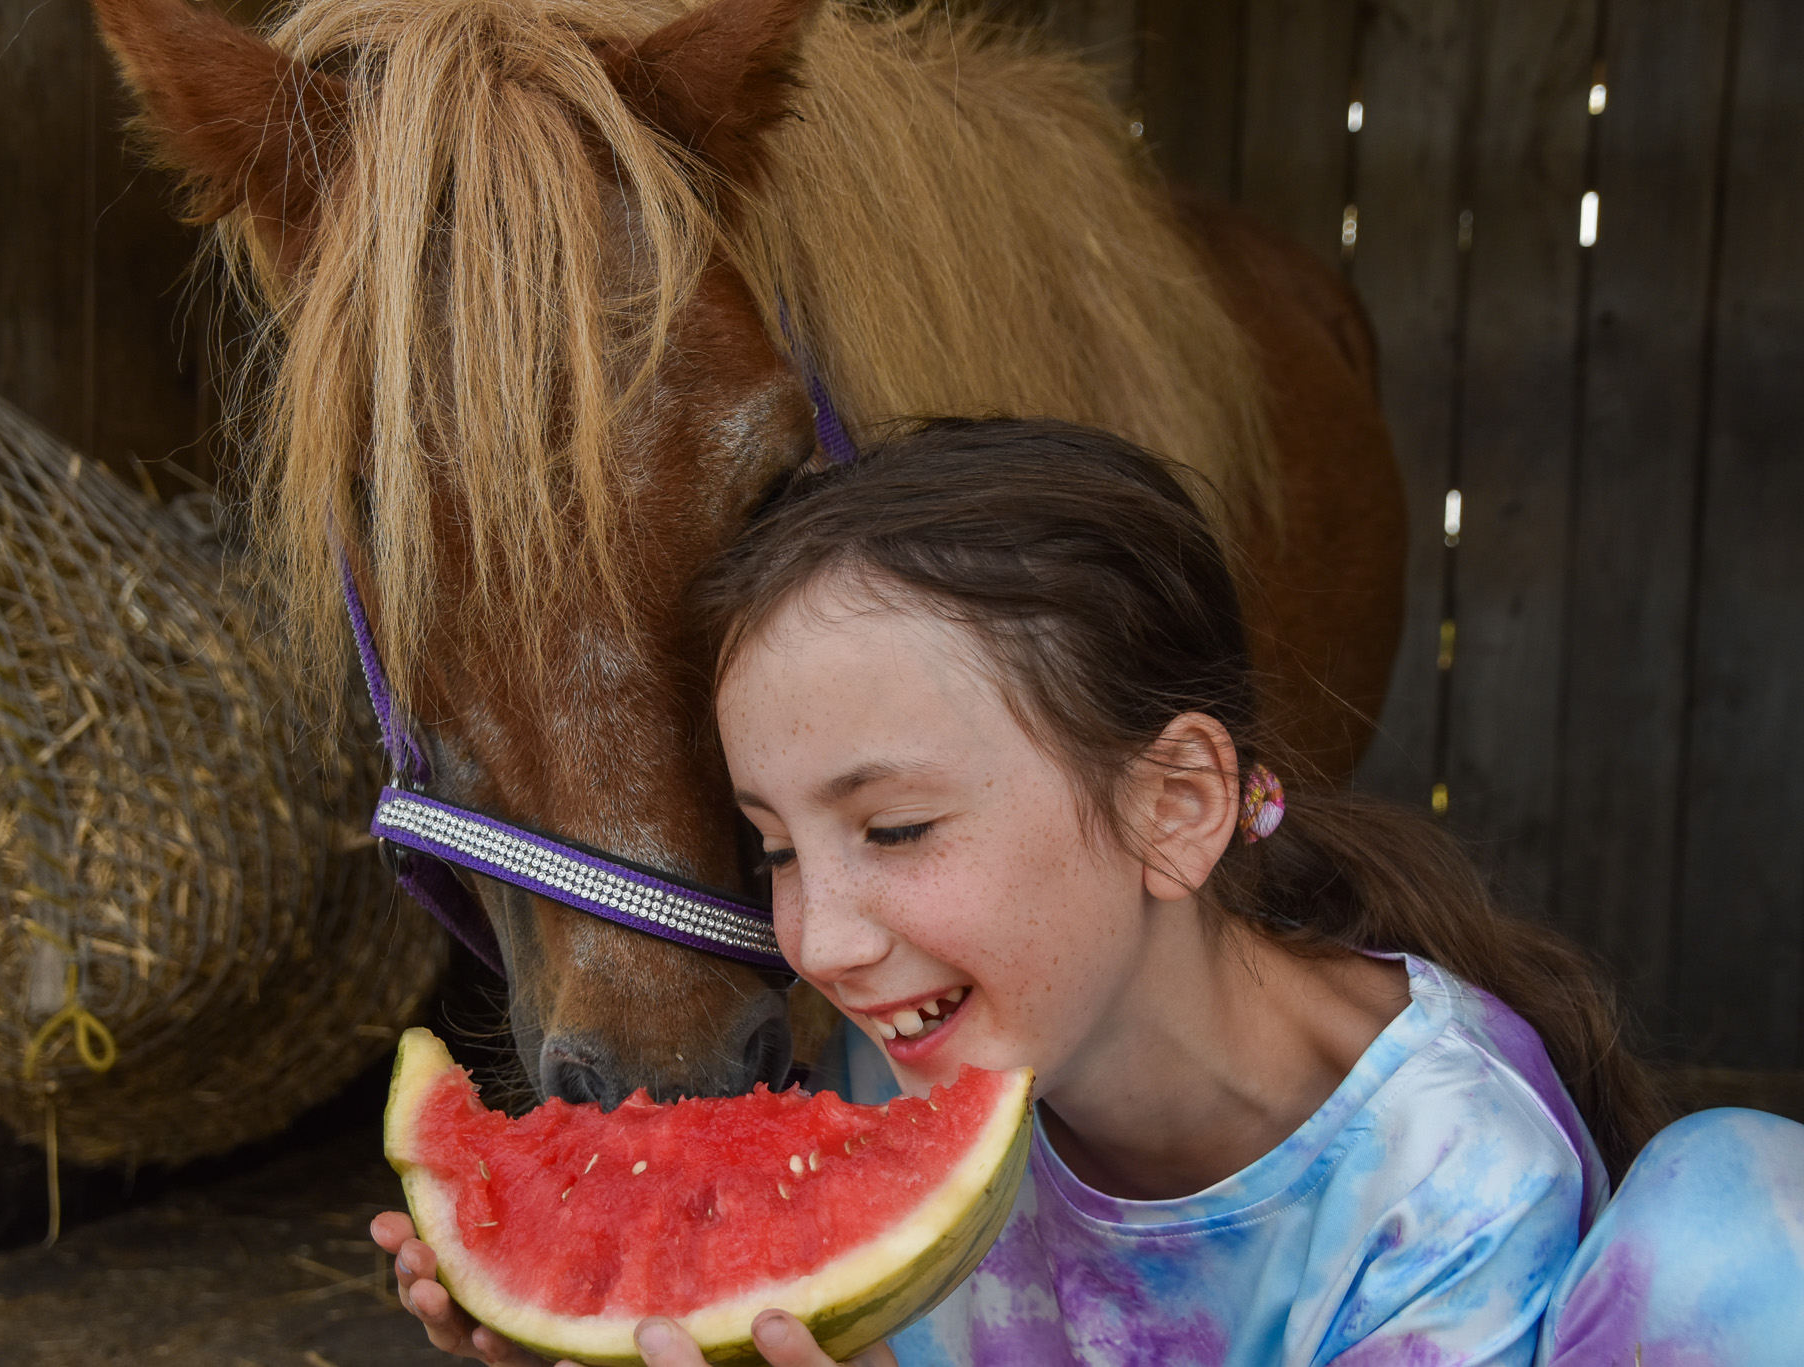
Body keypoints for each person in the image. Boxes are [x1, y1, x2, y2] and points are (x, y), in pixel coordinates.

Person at [373, 418, 1804, 1365]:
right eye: (777, 850)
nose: (817, 940)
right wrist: (600, 1312)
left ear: (1175, 807)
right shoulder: (898, 1080)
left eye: (901, 827)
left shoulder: (1454, 1192)